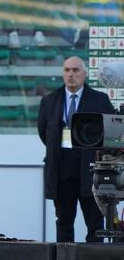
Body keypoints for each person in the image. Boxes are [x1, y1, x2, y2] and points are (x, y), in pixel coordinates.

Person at [37, 57, 114, 243]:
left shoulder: (100, 100)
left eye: (75, 70)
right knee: (63, 222)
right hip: (61, 172)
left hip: (91, 171)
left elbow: (111, 132)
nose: (71, 74)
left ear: (84, 73)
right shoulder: (49, 101)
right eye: (67, 70)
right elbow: (44, 133)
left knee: (95, 223)